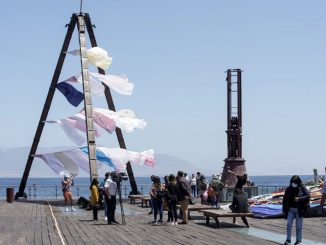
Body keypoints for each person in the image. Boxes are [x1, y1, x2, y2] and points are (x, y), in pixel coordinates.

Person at [282, 175, 310, 245]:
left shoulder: (302, 187)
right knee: (289, 224)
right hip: (290, 210)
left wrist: (299, 199)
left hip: (299, 210)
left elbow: (308, 196)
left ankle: (298, 240)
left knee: (299, 226)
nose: (293, 184)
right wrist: (284, 209)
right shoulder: (288, 189)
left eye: (295, 182)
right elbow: (284, 199)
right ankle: (288, 240)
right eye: (292, 182)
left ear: (298, 182)